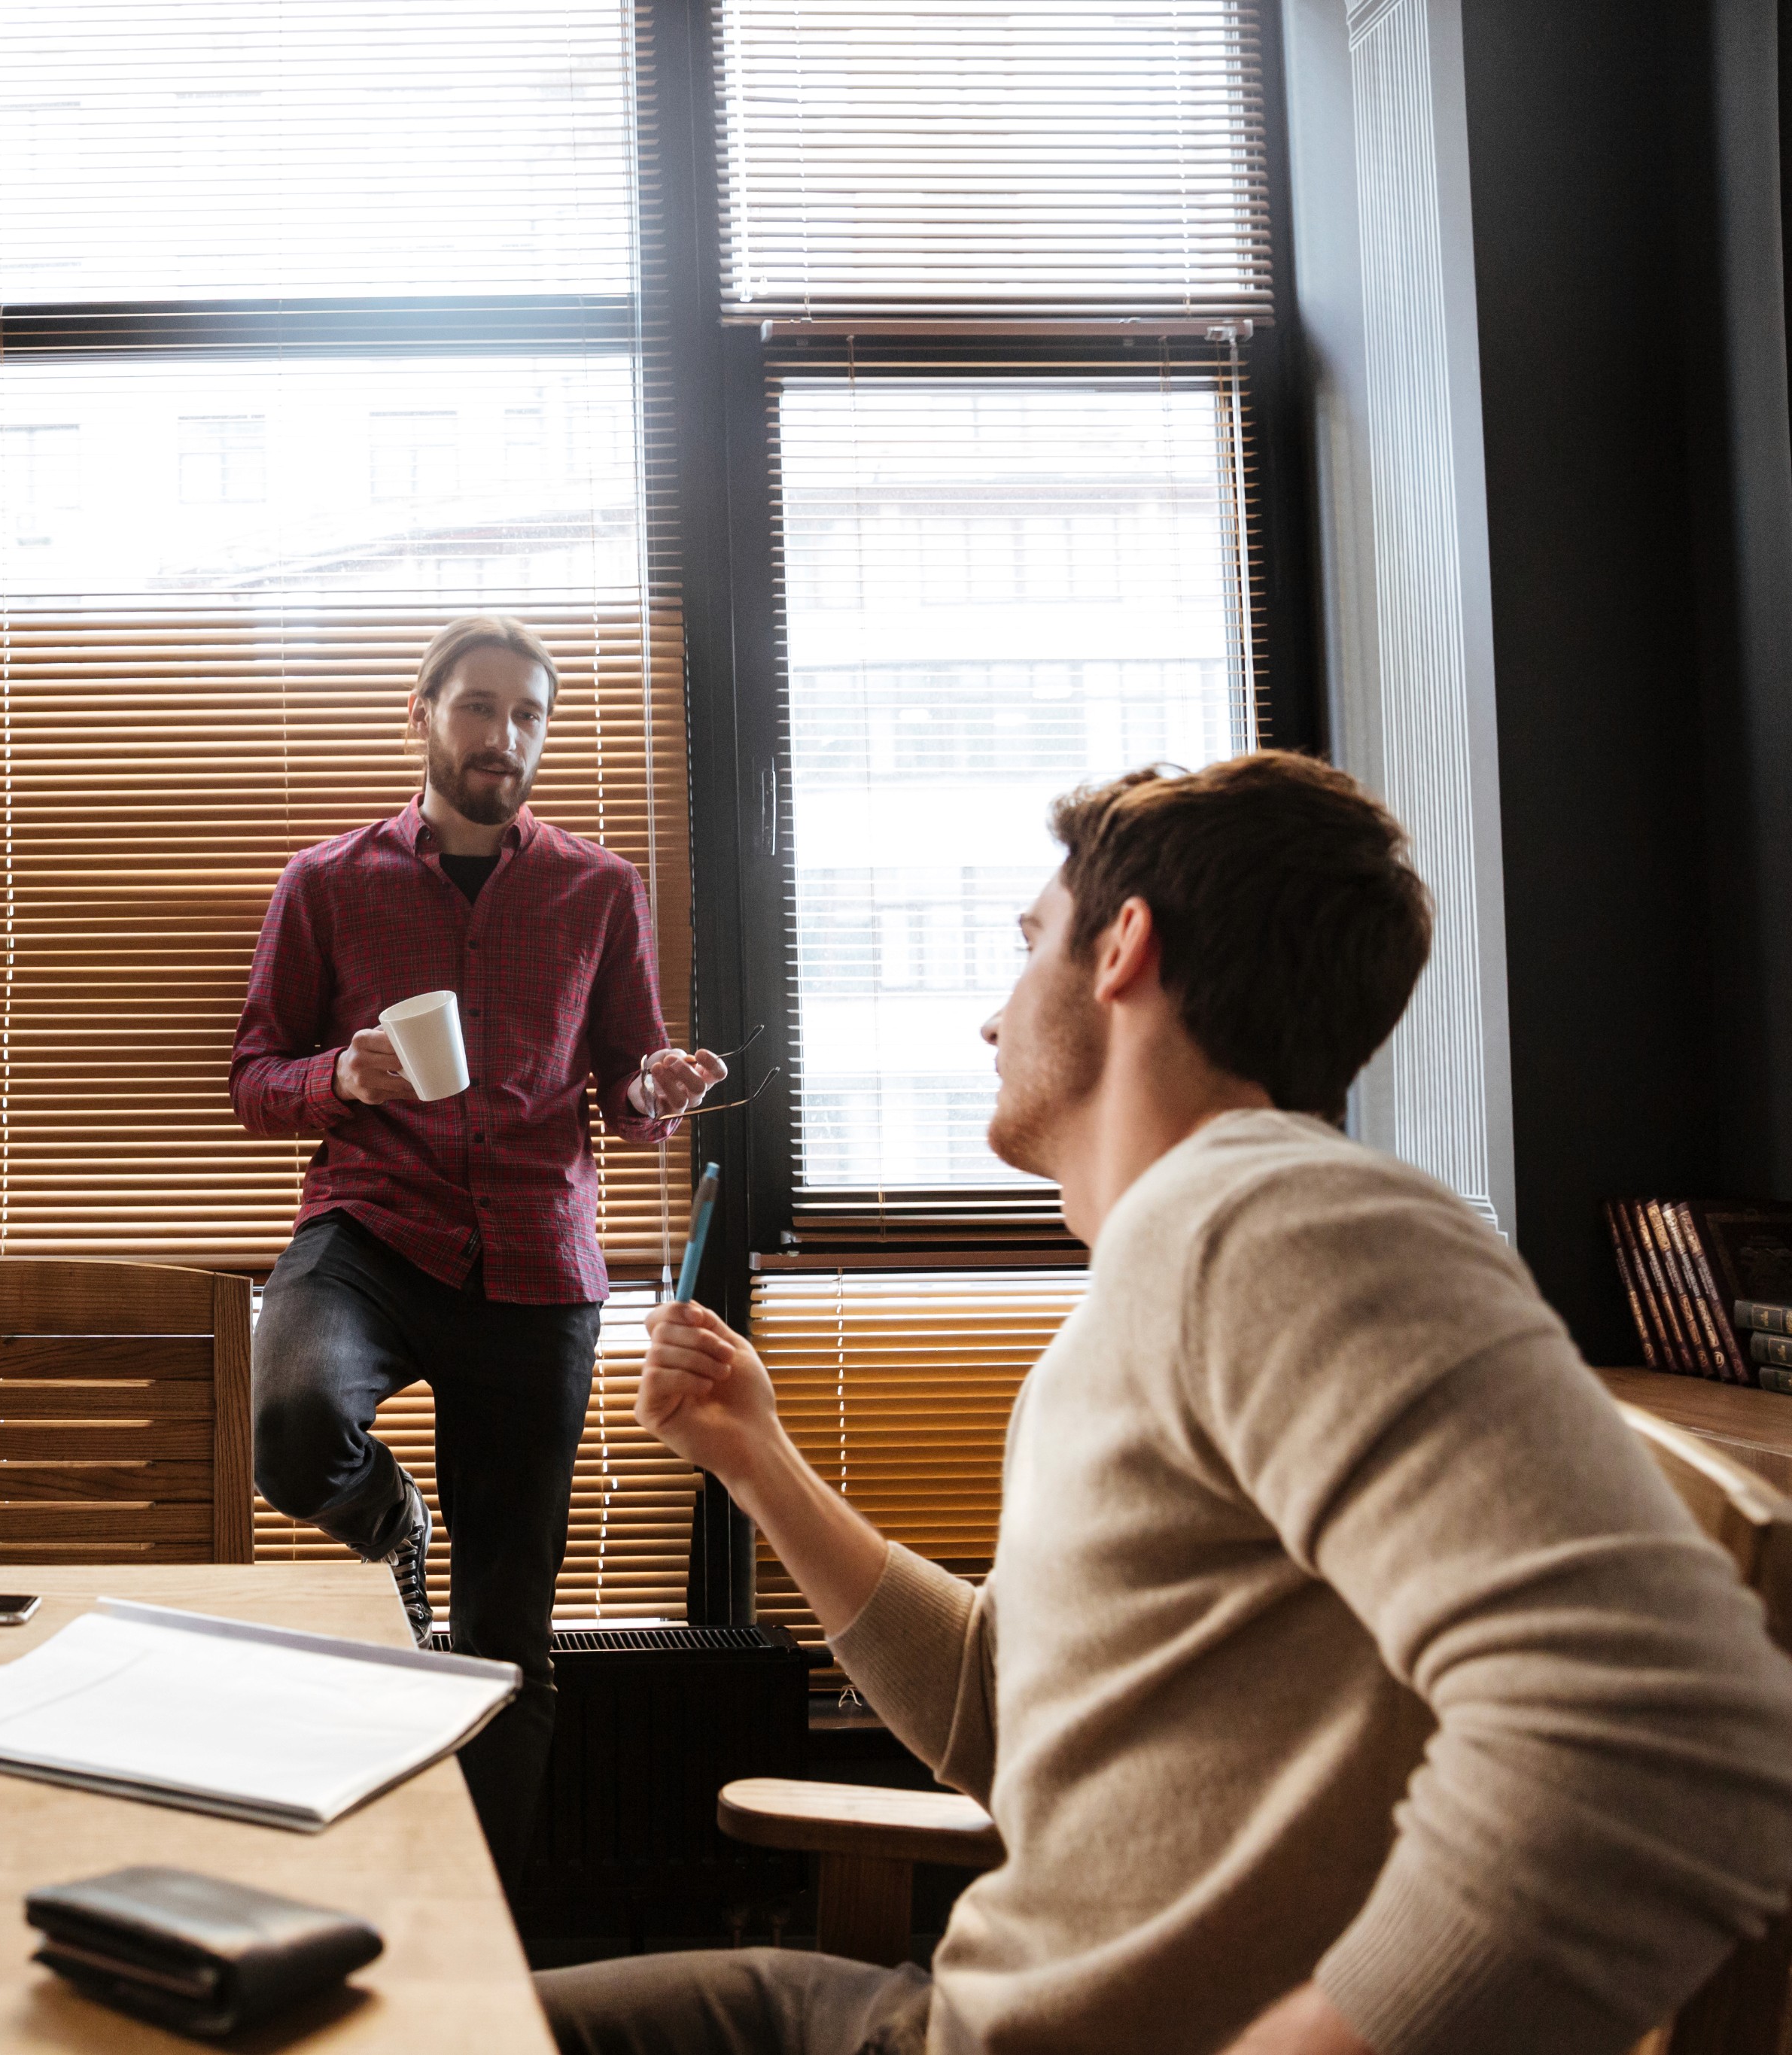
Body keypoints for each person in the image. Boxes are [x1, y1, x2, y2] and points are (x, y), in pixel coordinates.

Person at [537, 752, 1792, 2055]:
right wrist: (758, 1462)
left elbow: (1666, 1737)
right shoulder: (1163, 1264)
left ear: (1124, 947)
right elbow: (1009, 1713)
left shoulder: (1272, 1219)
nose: (991, 1018)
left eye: (1030, 945)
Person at [231, 615, 726, 1871]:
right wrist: (342, 1072)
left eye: (527, 715)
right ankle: (392, 1515)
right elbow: (254, 1080)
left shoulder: (599, 889)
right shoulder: (327, 883)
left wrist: (656, 1092)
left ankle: (489, 1937)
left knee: (510, 1634)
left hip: (537, 1261)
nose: (503, 736)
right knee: (289, 1427)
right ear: (425, 716)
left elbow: (624, 1088)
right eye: (478, 708)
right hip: (370, 1230)